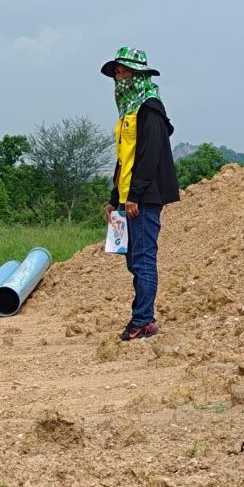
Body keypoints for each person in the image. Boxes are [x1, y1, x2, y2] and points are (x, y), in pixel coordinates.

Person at [101, 47, 180, 341]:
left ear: (137, 74)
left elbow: (149, 155)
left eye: (123, 71)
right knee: (134, 259)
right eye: (116, 72)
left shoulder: (149, 107)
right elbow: (125, 158)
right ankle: (142, 317)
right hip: (130, 198)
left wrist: (134, 195)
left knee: (144, 258)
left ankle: (143, 321)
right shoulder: (129, 111)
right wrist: (115, 200)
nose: (118, 77)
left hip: (144, 197)